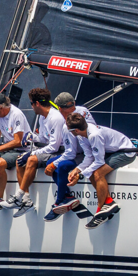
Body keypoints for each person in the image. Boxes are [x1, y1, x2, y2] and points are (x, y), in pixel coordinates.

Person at [66, 113, 137, 229]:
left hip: (126, 152)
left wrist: (81, 176)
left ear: (76, 130)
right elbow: (89, 157)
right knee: (90, 173)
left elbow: (99, 162)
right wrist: (77, 170)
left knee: (97, 173)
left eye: (70, 131)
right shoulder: (81, 135)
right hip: (112, 151)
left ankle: (100, 211)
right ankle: (108, 202)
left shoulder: (94, 135)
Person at [11, 87, 66, 216]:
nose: (31, 107)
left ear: (37, 103)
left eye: (31, 103)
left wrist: (32, 153)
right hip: (51, 149)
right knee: (20, 159)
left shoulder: (55, 118)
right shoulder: (43, 117)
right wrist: (30, 137)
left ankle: (18, 195)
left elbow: (53, 147)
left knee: (31, 159)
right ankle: (26, 199)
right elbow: (42, 138)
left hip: (61, 152)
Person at [42, 92, 96, 220]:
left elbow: (70, 153)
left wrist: (53, 164)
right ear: (74, 104)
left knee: (60, 165)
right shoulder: (83, 110)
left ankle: (59, 200)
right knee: (50, 162)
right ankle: (67, 196)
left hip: (86, 155)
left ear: (59, 108)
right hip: (87, 151)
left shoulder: (67, 125)